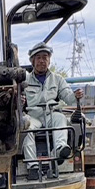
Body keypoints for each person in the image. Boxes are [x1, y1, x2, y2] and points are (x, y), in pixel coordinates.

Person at [23, 42, 84, 180]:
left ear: (49, 60)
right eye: (38, 57)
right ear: (32, 61)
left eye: (45, 57)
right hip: (33, 115)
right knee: (27, 127)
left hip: (51, 114)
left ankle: (59, 151)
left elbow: (68, 98)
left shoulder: (57, 79)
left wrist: (75, 96)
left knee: (61, 119)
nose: (42, 61)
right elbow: (17, 99)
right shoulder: (25, 80)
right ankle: (32, 166)